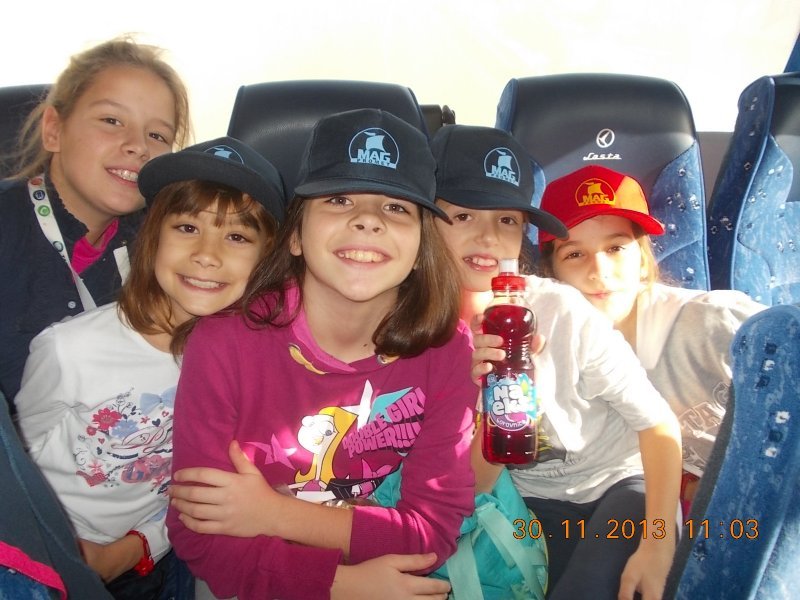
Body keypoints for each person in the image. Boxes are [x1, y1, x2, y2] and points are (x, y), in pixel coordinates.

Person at [165, 109, 476, 600]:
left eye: (396, 207)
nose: (368, 219)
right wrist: (340, 585)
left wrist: (273, 514)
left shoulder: (447, 348)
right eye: (339, 199)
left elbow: (431, 533)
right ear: (295, 235)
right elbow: (199, 531)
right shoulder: (223, 344)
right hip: (257, 581)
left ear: (421, 248)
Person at [14, 136, 285, 599]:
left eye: (237, 236)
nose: (207, 254)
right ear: (152, 236)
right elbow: (18, 468)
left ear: (267, 259)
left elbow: (204, 488)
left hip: (156, 552)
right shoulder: (70, 350)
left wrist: (137, 547)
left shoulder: (251, 363)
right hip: (42, 553)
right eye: (187, 227)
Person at [432, 125, 682, 600]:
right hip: (529, 501)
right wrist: (488, 400)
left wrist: (659, 542)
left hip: (619, 483)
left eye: (507, 220)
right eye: (463, 215)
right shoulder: (420, 337)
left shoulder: (561, 310)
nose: (488, 236)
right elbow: (477, 485)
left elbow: (657, 424)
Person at [536, 165, 765, 510]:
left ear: (643, 261)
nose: (599, 271)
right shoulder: (552, 352)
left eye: (616, 248)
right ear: (552, 276)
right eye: (575, 254)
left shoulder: (714, 321)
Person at [0, 36, 192, 404]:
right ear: (54, 129)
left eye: (157, 135)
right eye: (111, 120)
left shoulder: (171, 244)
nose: (138, 145)